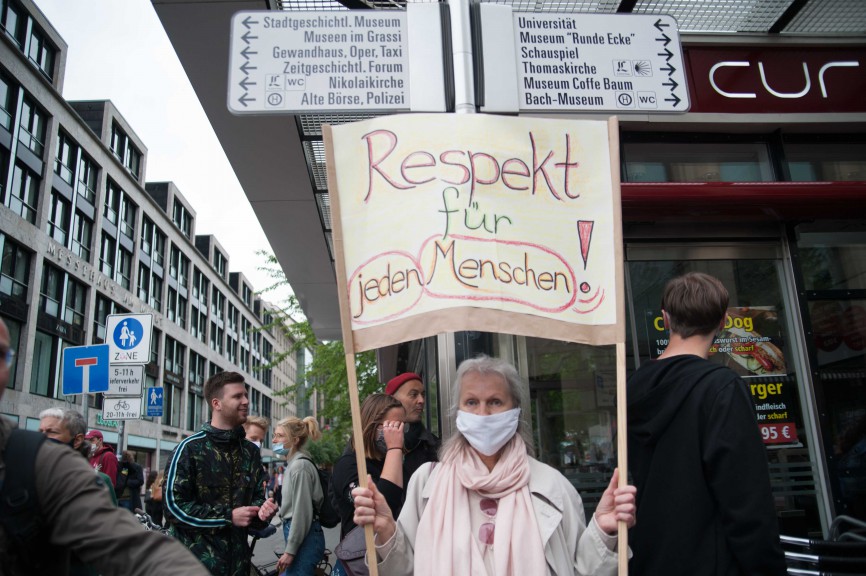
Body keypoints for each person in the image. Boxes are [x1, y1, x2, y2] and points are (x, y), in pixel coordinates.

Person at [352, 355, 635, 576]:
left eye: (495, 402)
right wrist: (387, 533)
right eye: (472, 402)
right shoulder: (427, 484)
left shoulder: (552, 486)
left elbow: (581, 569)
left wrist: (603, 532)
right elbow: (404, 570)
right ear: (458, 412)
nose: (483, 413)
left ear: (516, 411)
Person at [0, 318, 211, 576]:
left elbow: (128, 544)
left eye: (2, 355)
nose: (45, 437)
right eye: (41, 431)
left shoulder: (42, 463)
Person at [627, 272, 786, 576]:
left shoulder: (632, 388)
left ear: (665, 318)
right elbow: (746, 499)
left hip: (647, 558)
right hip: (710, 563)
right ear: (724, 320)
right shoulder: (721, 388)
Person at [163, 371, 278, 576]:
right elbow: (174, 508)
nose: (245, 401)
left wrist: (263, 513)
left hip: (239, 567)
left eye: (245, 395)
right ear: (216, 404)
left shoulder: (250, 452)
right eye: (237, 396)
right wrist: (227, 517)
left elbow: (256, 504)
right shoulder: (189, 449)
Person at [333, 394, 406, 541]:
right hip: (364, 557)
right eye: (393, 427)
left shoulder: (391, 461)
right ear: (371, 427)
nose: (399, 434)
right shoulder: (348, 465)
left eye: (403, 427)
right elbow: (382, 508)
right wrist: (394, 449)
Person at [272, 416, 325, 575]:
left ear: (295, 440)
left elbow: (302, 513)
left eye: (280, 436)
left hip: (305, 539)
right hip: (302, 537)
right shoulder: (294, 464)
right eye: (274, 435)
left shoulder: (300, 466)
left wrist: (290, 551)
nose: (274, 440)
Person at [39, 408, 118, 506]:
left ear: (77, 440)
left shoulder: (105, 465)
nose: (42, 437)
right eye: (40, 431)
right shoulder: (33, 474)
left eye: (52, 432)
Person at [385, 372, 440, 481]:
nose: (421, 400)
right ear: (392, 400)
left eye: (423, 395)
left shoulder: (435, 447)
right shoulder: (370, 446)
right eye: (413, 394)